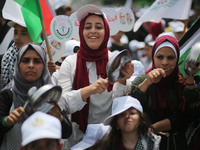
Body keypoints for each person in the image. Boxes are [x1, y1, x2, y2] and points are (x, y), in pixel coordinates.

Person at [58, 4, 134, 135]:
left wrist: (123, 81)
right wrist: (89, 90)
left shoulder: (116, 60)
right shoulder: (70, 63)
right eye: (87, 27)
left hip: (108, 137)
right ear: (81, 31)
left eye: (99, 27)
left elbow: (119, 105)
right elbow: (63, 103)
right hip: (77, 137)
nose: (93, 31)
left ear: (106, 32)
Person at [130, 35, 200, 150]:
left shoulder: (182, 83)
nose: (165, 63)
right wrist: (148, 82)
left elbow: (191, 113)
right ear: (153, 57)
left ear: (177, 59)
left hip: (176, 144)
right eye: (160, 57)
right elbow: (131, 105)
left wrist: (190, 77)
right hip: (145, 144)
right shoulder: (142, 80)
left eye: (171, 57)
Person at [0, 43, 72, 149]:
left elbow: (67, 132)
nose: (31, 65)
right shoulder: (8, 95)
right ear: (18, 64)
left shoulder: (51, 94)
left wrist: (59, 117)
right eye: (25, 60)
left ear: (44, 65)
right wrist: (7, 121)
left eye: (37, 61)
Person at [91, 96, 161, 150]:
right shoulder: (107, 145)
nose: (127, 116)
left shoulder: (152, 143)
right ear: (116, 124)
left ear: (141, 120)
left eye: (132, 113)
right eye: (122, 114)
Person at [1, 20, 32, 88]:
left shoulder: (45, 58)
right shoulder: (7, 58)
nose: (17, 37)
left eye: (24, 33)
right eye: (15, 32)